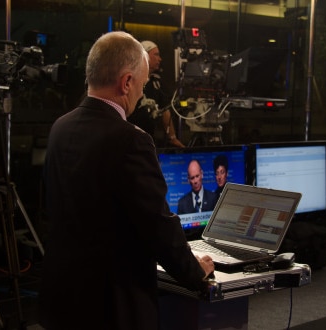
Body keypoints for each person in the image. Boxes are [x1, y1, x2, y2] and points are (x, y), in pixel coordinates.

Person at [39, 31, 214, 330]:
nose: (141, 94)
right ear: (127, 82)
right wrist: (195, 272)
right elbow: (156, 223)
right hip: (111, 306)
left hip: (62, 298)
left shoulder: (60, 127)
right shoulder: (131, 140)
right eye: (143, 85)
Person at [128, 40, 185, 148]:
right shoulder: (129, 80)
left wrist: (172, 138)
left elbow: (165, 110)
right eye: (156, 55)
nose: (160, 59)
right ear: (144, 56)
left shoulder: (156, 82)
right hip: (128, 139)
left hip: (148, 140)